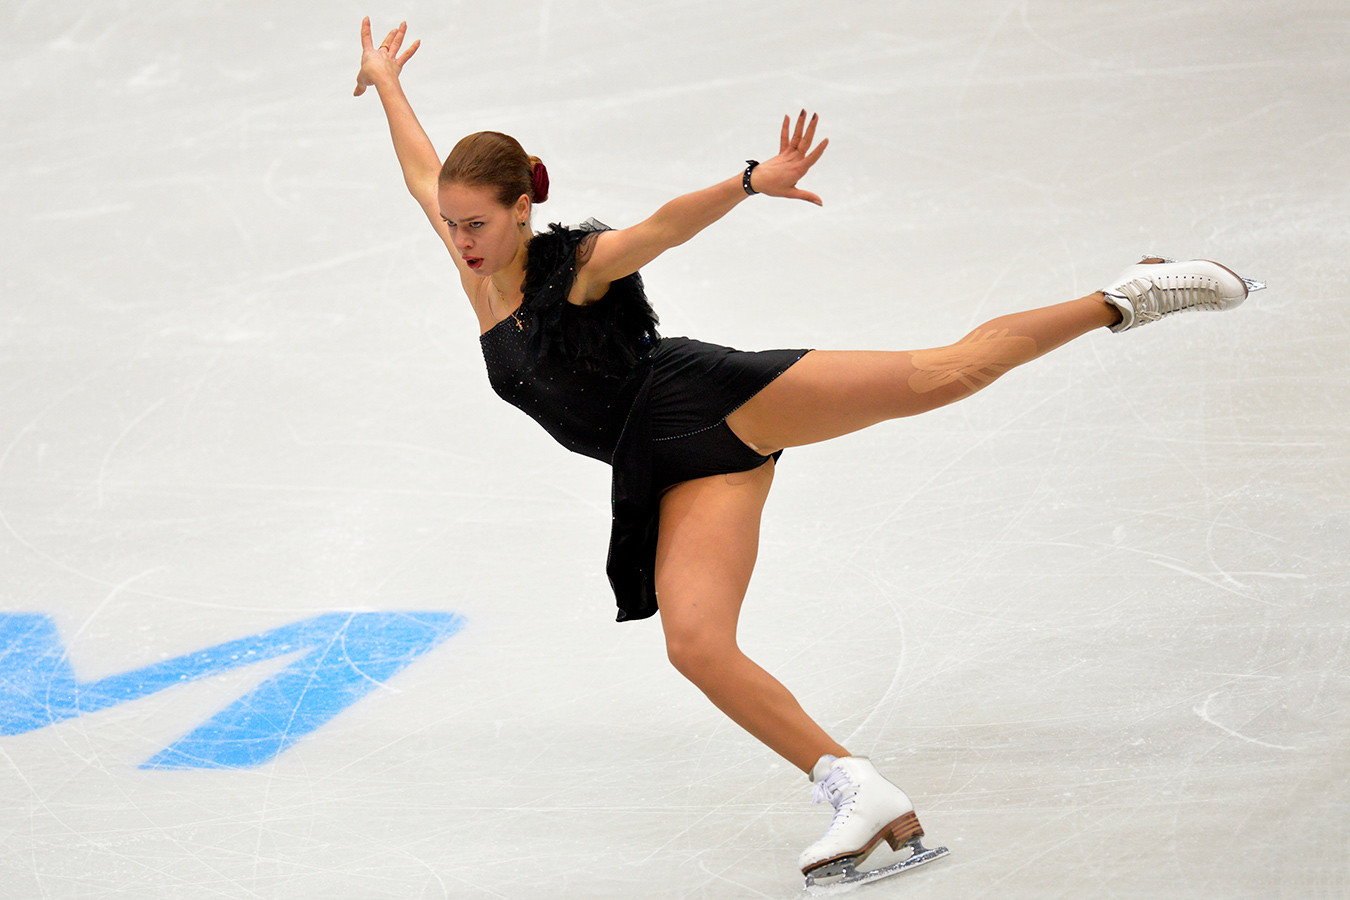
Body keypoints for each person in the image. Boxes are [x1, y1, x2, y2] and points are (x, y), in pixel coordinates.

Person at [353, 18, 1260, 885]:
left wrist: (748, 181)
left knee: (949, 373)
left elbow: (662, 228)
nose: (460, 240)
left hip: (709, 400)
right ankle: (857, 789)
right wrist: (390, 81)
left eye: (476, 223)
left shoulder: (579, 266)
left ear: (521, 210)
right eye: (452, 224)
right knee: (697, 646)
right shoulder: (469, 254)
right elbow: (419, 170)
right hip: (665, 465)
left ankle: (1132, 295)